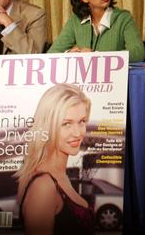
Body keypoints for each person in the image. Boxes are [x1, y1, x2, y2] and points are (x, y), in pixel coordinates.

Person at [15, 84, 94, 234]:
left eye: (82, 121)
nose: (78, 133)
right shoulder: (43, 186)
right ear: (47, 127)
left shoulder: (59, 176)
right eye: (66, 124)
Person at [49, 0, 145, 62]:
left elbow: (138, 53)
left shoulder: (123, 18)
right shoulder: (76, 20)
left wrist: (97, 56)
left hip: (113, 77)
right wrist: (71, 55)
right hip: (84, 77)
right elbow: (52, 53)